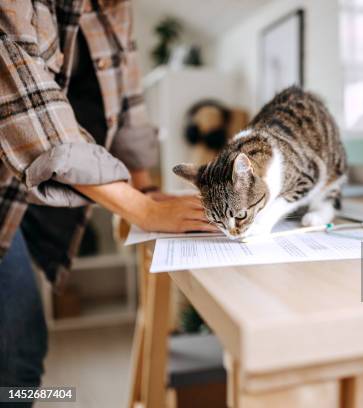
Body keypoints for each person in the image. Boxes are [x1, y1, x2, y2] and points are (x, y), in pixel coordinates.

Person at [0, 0, 215, 394]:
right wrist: (141, 209)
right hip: (9, 176)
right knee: (18, 354)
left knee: (20, 350)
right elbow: (28, 105)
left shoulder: (116, 8)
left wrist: (145, 187)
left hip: (30, 184)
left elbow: (130, 103)